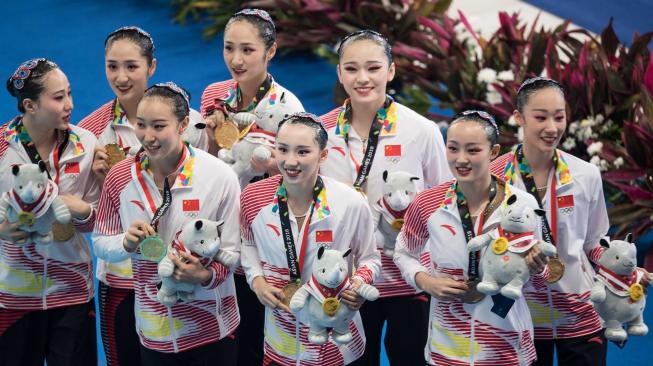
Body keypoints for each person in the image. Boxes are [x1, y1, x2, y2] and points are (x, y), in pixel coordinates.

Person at [319, 30, 451, 366]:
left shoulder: (421, 131)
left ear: (390, 71)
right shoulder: (320, 133)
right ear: (339, 73)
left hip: (411, 281)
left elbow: (445, 204)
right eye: (351, 69)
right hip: (347, 284)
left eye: (373, 68)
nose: (362, 78)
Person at [490, 77, 642, 366]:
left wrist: (625, 269)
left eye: (559, 117)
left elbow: (595, 243)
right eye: (540, 117)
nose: (552, 127)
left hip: (580, 312)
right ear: (519, 117)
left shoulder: (585, 175)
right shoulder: (493, 177)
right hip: (520, 314)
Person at [92, 82, 240, 365]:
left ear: (183, 124)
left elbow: (234, 251)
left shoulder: (220, 177)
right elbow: (100, 240)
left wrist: (204, 276)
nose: (148, 137)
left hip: (212, 327)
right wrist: (125, 241)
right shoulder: (120, 176)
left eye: (159, 126)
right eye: (141, 125)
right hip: (154, 328)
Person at [395, 110, 544, 365]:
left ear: (493, 151)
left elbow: (535, 277)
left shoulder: (522, 204)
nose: (461, 159)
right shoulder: (427, 203)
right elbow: (404, 252)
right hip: (448, 345)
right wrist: (425, 281)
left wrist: (537, 268)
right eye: (453, 149)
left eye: (473, 150)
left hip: (506, 345)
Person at [200, 9, 304, 365]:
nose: (236, 59)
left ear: (270, 51)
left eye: (248, 50)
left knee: (263, 335)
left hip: (267, 235)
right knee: (229, 334)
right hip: (221, 232)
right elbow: (205, 164)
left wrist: (273, 163)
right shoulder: (214, 95)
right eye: (229, 48)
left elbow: (305, 174)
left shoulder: (288, 106)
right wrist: (213, 140)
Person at [240, 112, 381, 365]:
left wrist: (358, 284)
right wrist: (257, 281)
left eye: (303, 152)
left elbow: (370, 259)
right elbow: (248, 244)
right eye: (283, 150)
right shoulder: (253, 197)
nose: (290, 161)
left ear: (323, 155)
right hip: (280, 342)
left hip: (338, 345)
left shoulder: (349, 202)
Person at [0, 58, 99, 365]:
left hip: (72, 292)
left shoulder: (86, 144)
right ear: (29, 105)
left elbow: (99, 218)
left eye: (69, 93)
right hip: (14, 295)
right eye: (58, 98)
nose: (69, 104)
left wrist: (81, 210)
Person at [78, 26, 157, 366]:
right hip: (119, 276)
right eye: (112, 66)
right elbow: (85, 221)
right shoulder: (90, 132)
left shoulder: (185, 122)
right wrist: (102, 184)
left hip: (171, 275)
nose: (121, 77)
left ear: (151, 67)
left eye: (131, 66)